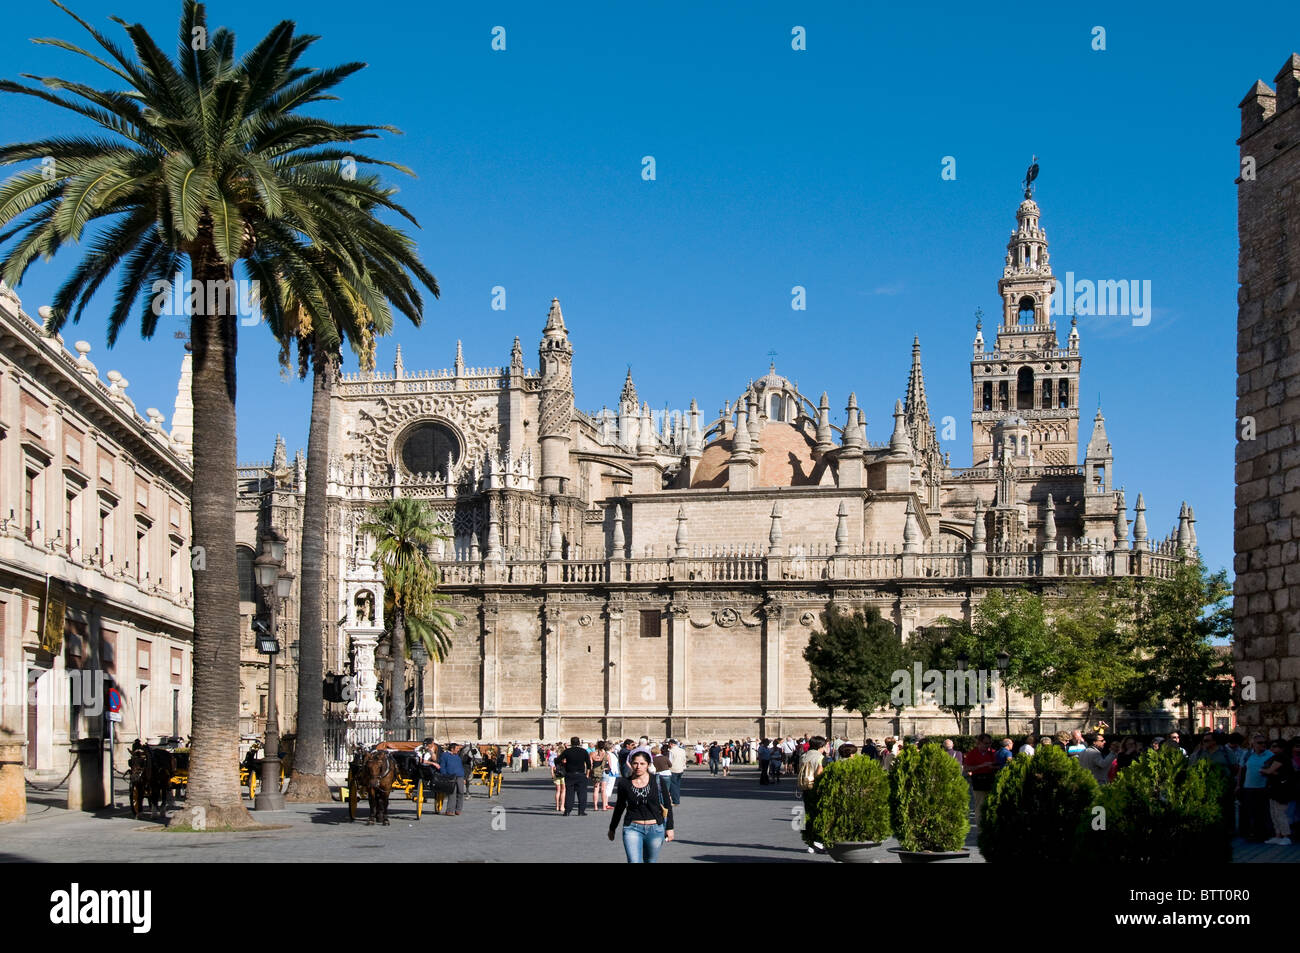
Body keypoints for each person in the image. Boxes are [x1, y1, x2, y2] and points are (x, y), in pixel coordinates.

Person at [608, 751, 675, 863]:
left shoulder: (657, 781)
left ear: (648, 765)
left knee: (651, 861)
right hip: (632, 828)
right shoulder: (624, 783)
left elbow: (668, 805)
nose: (638, 767)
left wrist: (670, 828)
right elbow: (620, 806)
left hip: (655, 828)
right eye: (635, 763)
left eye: (642, 763)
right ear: (631, 764)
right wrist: (612, 828)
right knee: (633, 861)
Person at [1238, 734, 1274, 842]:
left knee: (1263, 812)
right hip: (1248, 787)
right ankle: (1250, 833)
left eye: (1264, 743)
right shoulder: (1247, 754)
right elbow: (1241, 770)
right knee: (1250, 812)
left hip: (1263, 787)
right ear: (1253, 744)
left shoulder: (1270, 755)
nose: (1263, 745)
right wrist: (1238, 785)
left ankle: (1263, 834)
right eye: (1259, 743)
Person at [1261, 738, 1295, 846]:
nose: (1272, 748)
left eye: (1275, 746)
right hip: (1274, 788)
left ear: (1281, 748)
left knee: (1280, 813)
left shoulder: (1282, 758)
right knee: (1274, 812)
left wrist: (1263, 770)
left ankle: (1286, 835)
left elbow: (1270, 771)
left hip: (1281, 790)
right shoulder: (1275, 757)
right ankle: (1278, 835)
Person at [964, 734, 997, 824]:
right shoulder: (972, 753)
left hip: (991, 779)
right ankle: (981, 826)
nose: (988, 745)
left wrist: (993, 767)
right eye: (986, 743)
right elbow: (966, 768)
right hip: (979, 780)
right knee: (980, 804)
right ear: (979, 743)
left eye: (990, 743)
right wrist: (981, 766)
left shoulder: (993, 752)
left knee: (992, 803)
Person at [557, 736, 592, 816]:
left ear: (571, 743)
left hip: (570, 774)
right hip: (581, 774)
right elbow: (589, 764)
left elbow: (558, 760)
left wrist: (564, 765)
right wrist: (587, 773)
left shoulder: (567, 751)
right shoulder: (583, 751)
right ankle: (581, 811)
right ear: (579, 743)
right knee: (582, 793)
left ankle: (567, 811)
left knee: (569, 793)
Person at [439, 742, 467, 815]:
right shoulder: (444, 755)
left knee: (461, 792)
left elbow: (460, 767)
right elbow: (442, 766)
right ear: (452, 749)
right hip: (450, 776)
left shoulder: (457, 756)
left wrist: (463, 778)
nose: (458, 750)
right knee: (452, 793)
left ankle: (458, 810)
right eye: (457, 748)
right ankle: (450, 810)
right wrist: (445, 776)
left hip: (460, 776)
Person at [591, 740, 611, 811]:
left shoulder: (592, 754)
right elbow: (610, 766)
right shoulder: (607, 755)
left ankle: (595, 807)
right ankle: (604, 806)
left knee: (596, 789)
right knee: (603, 790)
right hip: (604, 772)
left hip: (596, 772)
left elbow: (591, 765)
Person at [667, 738, 687, 804]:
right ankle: (677, 798)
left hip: (673, 769)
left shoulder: (671, 751)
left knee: (673, 786)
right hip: (680, 769)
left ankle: (676, 800)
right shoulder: (682, 750)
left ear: (671, 744)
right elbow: (684, 759)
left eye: (669, 744)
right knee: (677, 785)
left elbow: (670, 762)